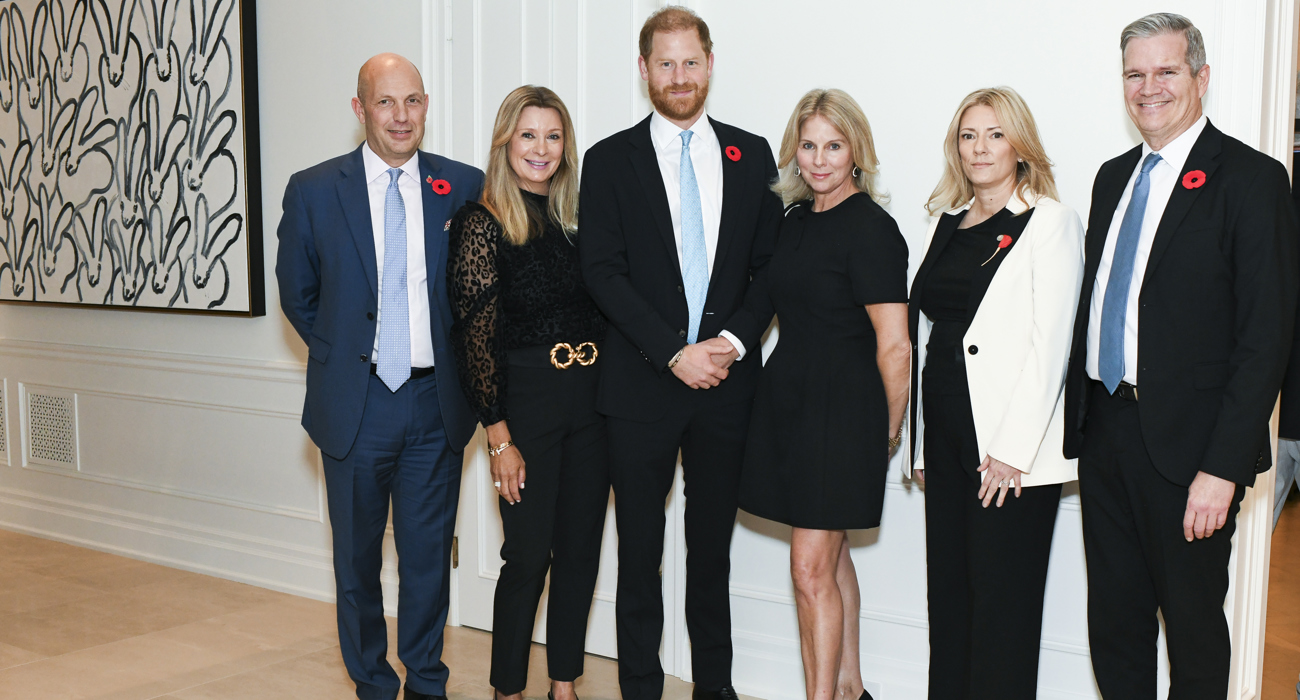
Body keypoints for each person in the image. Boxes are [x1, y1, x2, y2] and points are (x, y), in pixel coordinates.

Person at [1062, 14, 1298, 698]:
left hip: (1192, 452)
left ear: (1200, 77)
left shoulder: (1252, 181)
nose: (1149, 88)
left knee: (1192, 632)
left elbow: (1266, 340)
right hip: (1105, 434)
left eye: (1166, 71)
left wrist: (1222, 468)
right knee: (1115, 624)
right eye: (1135, 74)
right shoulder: (1112, 179)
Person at [578, 6, 783, 699]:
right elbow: (601, 272)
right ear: (643, 71)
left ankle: (714, 688)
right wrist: (674, 352)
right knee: (638, 555)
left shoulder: (752, 154)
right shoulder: (608, 160)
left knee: (712, 556)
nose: (679, 76)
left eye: (691, 61)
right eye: (665, 63)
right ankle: (640, 687)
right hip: (638, 391)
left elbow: (768, 268)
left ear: (710, 63)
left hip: (726, 389)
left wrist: (726, 345)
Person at [275, 53, 484, 700]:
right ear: (359, 108)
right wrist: (349, 357)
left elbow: (476, 295)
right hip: (356, 406)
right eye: (386, 102)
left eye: (413, 101)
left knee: (427, 564)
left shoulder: (463, 184)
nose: (401, 116)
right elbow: (298, 294)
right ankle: (371, 682)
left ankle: (426, 682)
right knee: (357, 565)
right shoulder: (313, 190)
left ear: (426, 106)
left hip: (433, 405)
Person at [907, 87, 1083, 700]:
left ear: (1020, 145)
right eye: (967, 135)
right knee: (948, 596)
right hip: (949, 440)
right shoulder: (943, 223)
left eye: (995, 134)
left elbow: (1051, 345)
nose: (979, 148)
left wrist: (1011, 450)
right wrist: (925, 445)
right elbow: (932, 338)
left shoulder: (1050, 222)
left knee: (1003, 607)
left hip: (1009, 453)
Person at [738, 88, 908, 700]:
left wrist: (884, 432)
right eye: (808, 146)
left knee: (808, 567)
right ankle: (850, 688)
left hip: (846, 416)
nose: (819, 160)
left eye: (834, 146)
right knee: (829, 560)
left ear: (856, 151)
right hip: (791, 409)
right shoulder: (794, 221)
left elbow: (896, 346)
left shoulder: (873, 229)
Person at [447, 85, 608, 700]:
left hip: (592, 404)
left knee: (580, 554)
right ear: (505, 142)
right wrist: (498, 437)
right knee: (527, 557)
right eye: (528, 135)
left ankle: (563, 684)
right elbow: (476, 336)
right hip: (528, 408)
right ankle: (507, 689)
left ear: (567, 146)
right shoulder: (481, 223)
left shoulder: (578, 221)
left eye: (553, 136)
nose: (541, 149)